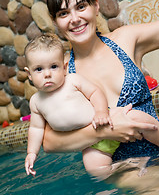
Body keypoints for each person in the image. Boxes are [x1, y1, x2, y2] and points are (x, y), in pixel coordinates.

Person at [43, 0, 159, 175]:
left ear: (95, 6)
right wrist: (105, 131)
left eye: (81, 7)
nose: (75, 19)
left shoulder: (125, 39)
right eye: (63, 13)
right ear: (55, 21)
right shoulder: (61, 73)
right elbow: (48, 142)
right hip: (122, 173)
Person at [24, 34, 159, 177]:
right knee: (95, 169)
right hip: (90, 143)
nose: (47, 74)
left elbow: (95, 92)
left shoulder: (72, 81)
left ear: (64, 68)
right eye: (39, 69)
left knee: (140, 119)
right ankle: (128, 165)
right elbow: (36, 128)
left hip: (106, 120)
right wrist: (32, 153)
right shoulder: (36, 101)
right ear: (29, 74)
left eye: (53, 67)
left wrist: (101, 112)